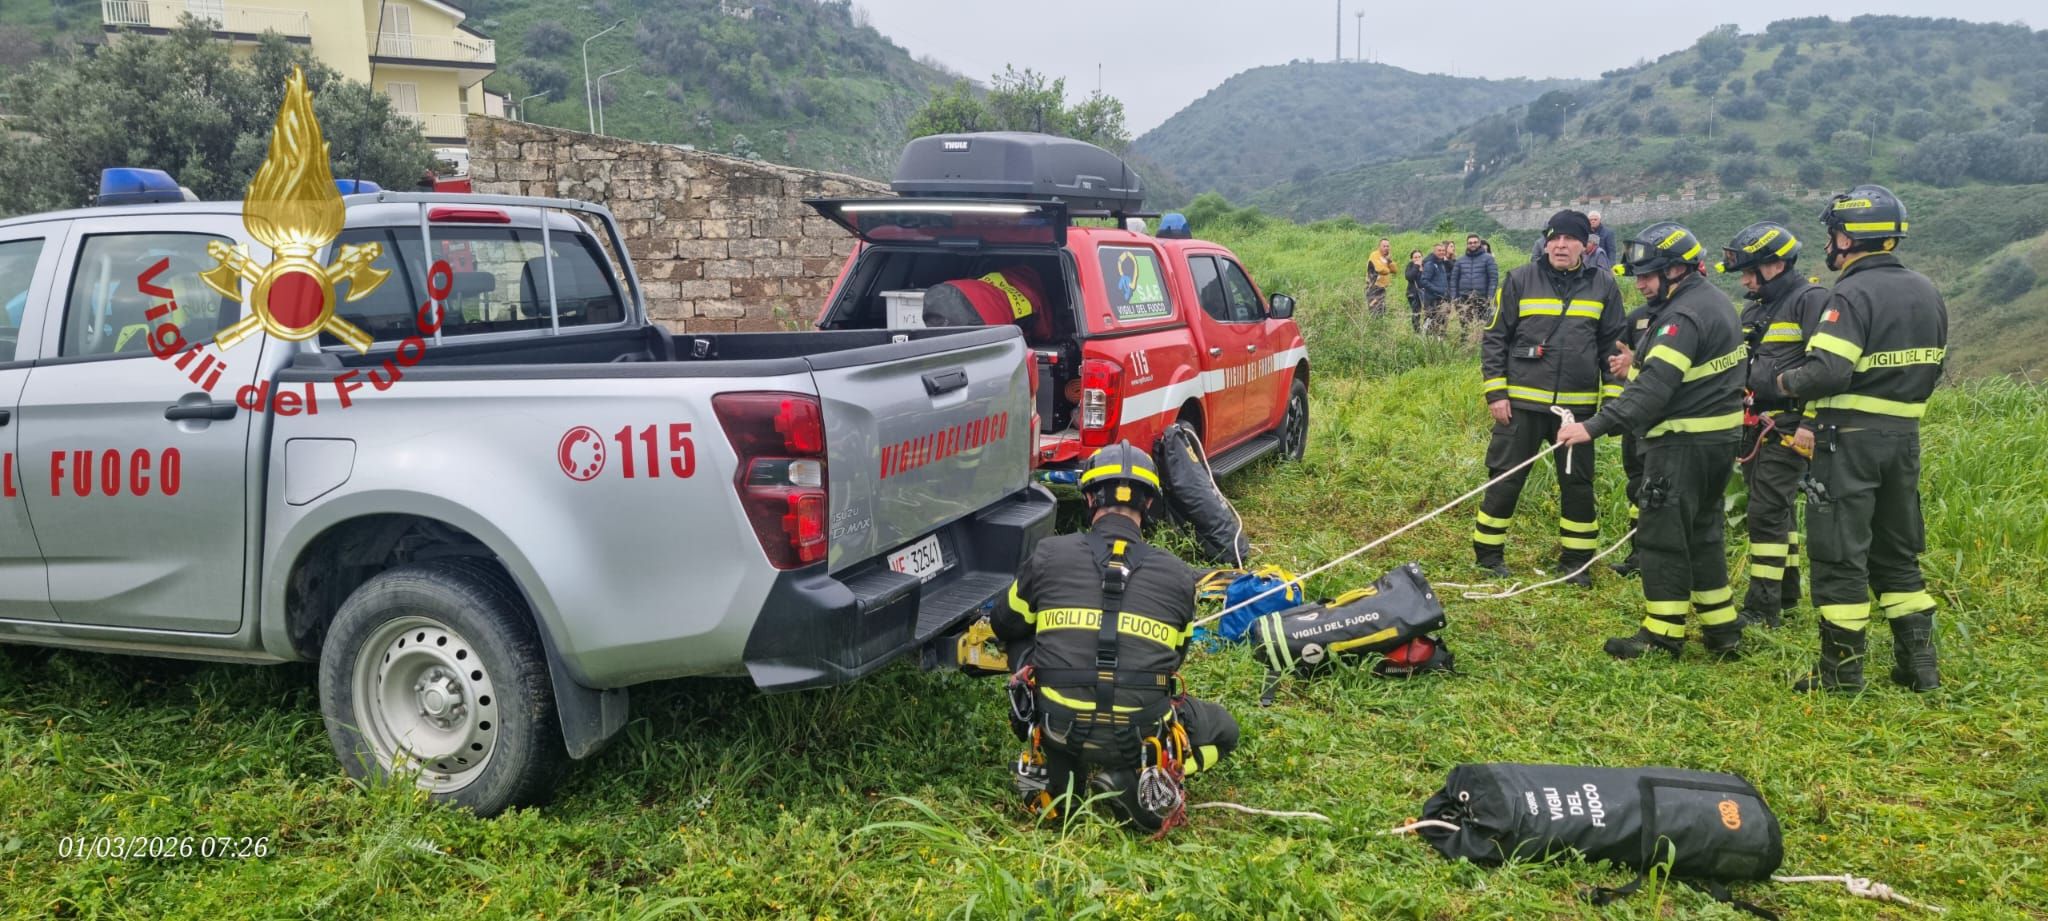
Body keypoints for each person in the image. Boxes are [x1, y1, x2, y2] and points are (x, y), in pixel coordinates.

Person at [994, 442, 1239, 831]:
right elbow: (1174, 660)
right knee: (1225, 731)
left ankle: (1057, 774)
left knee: (1021, 640)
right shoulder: (1180, 576)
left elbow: (1003, 625)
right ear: (1150, 505)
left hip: (1059, 727)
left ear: (1089, 498)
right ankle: (1142, 781)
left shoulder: (1048, 554)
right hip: (1138, 734)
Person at [1774, 185, 1947, 694]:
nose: (1829, 244)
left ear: (1848, 237)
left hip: (1847, 440)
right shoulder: (1926, 290)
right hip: (1903, 438)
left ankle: (1840, 673)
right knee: (1896, 551)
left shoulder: (1849, 294)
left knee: (1839, 553)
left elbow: (1827, 370)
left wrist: (1782, 384)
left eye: (1832, 234)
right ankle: (1920, 667)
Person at [1557, 222, 1750, 660]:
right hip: (1716, 443)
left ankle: (1662, 636)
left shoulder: (1681, 317)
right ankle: (1723, 632)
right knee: (1703, 535)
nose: (1640, 284)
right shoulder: (1715, 302)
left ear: (1678, 270)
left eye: (1648, 274)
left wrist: (1590, 427)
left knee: (1661, 538)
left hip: (1681, 446)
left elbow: (1654, 389)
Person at [1474, 210, 1627, 586]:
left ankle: (1576, 564)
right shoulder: (1519, 280)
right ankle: (1488, 557)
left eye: (1570, 239)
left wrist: (1611, 404)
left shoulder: (1604, 286)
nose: (1560, 245)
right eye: (1554, 238)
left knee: (1577, 485)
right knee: (1505, 478)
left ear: (1585, 245)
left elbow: (1614, 348)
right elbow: (1495, 339)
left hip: (1574, 414)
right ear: (1545, 241)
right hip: (1521, 406)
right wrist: (1496, 392)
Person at [1717, 221, 1828, 630]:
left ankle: (1762, 609)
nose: (1745, 280)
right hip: (1756, 421)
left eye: (1751, 271)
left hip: (1791, 424)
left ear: (1776, 265)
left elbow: (1827, 368)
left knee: (1765, 511)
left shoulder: (1811, 301)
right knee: (1778, 510)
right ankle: (1787, 592)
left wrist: (1811, 422)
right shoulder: (1756, 307)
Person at [1450, 233, 1499, 334]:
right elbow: (1454, 280)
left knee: (1482, 325)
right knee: (1464, 326)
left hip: (1482, 298)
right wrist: (1454, 297)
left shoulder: (1488, 259)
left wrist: (1490, 296)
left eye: (1475, 242)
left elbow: (1493, 278)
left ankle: (1479, 345)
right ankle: (1464, 347)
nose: (1472, 244)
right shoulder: (1460, 261)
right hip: (1463, 298)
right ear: (1467, 244)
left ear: (1479, 243)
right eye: (1470, 243)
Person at [1420, 242, 1453, 335]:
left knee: (1443, 321)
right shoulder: (1430, 264)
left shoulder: (1441, 263)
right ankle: (1427, 341)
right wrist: (1437, 290)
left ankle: (1439, 341)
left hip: (1442, 298)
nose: (1441, 252)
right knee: (1430, 323)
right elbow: (1424, 281)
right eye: (1439, 250)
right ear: (1434, 251)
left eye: (1443, 250)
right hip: (1432, 300)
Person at [1366, 238, 1396, 317]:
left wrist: (1390, 261)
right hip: (1373, 286)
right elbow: (1380, 269)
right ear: (1379, 247)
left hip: (1382, 288)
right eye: (1384, 246)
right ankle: (1372, 325)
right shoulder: (1374, 255)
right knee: (1373, 309)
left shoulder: (1387, 258)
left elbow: (1395, 270)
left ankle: (1380, 326)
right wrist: (1387, 269)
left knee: (1382, 310)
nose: (1386, 248)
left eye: (1388, 246)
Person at [1404, 249, 1426, 333]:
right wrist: (1416, 266)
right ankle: (1417, 331)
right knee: (1416, 312)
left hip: (1425, 293)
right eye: (1415, 257)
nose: (1417, 259)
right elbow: (1409, 277)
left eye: (1419, 257)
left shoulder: (1426, 265)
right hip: (1413, 293)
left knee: (1428, 312)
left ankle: (1426, 330)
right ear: (1412, 259)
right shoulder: (1410, 266)